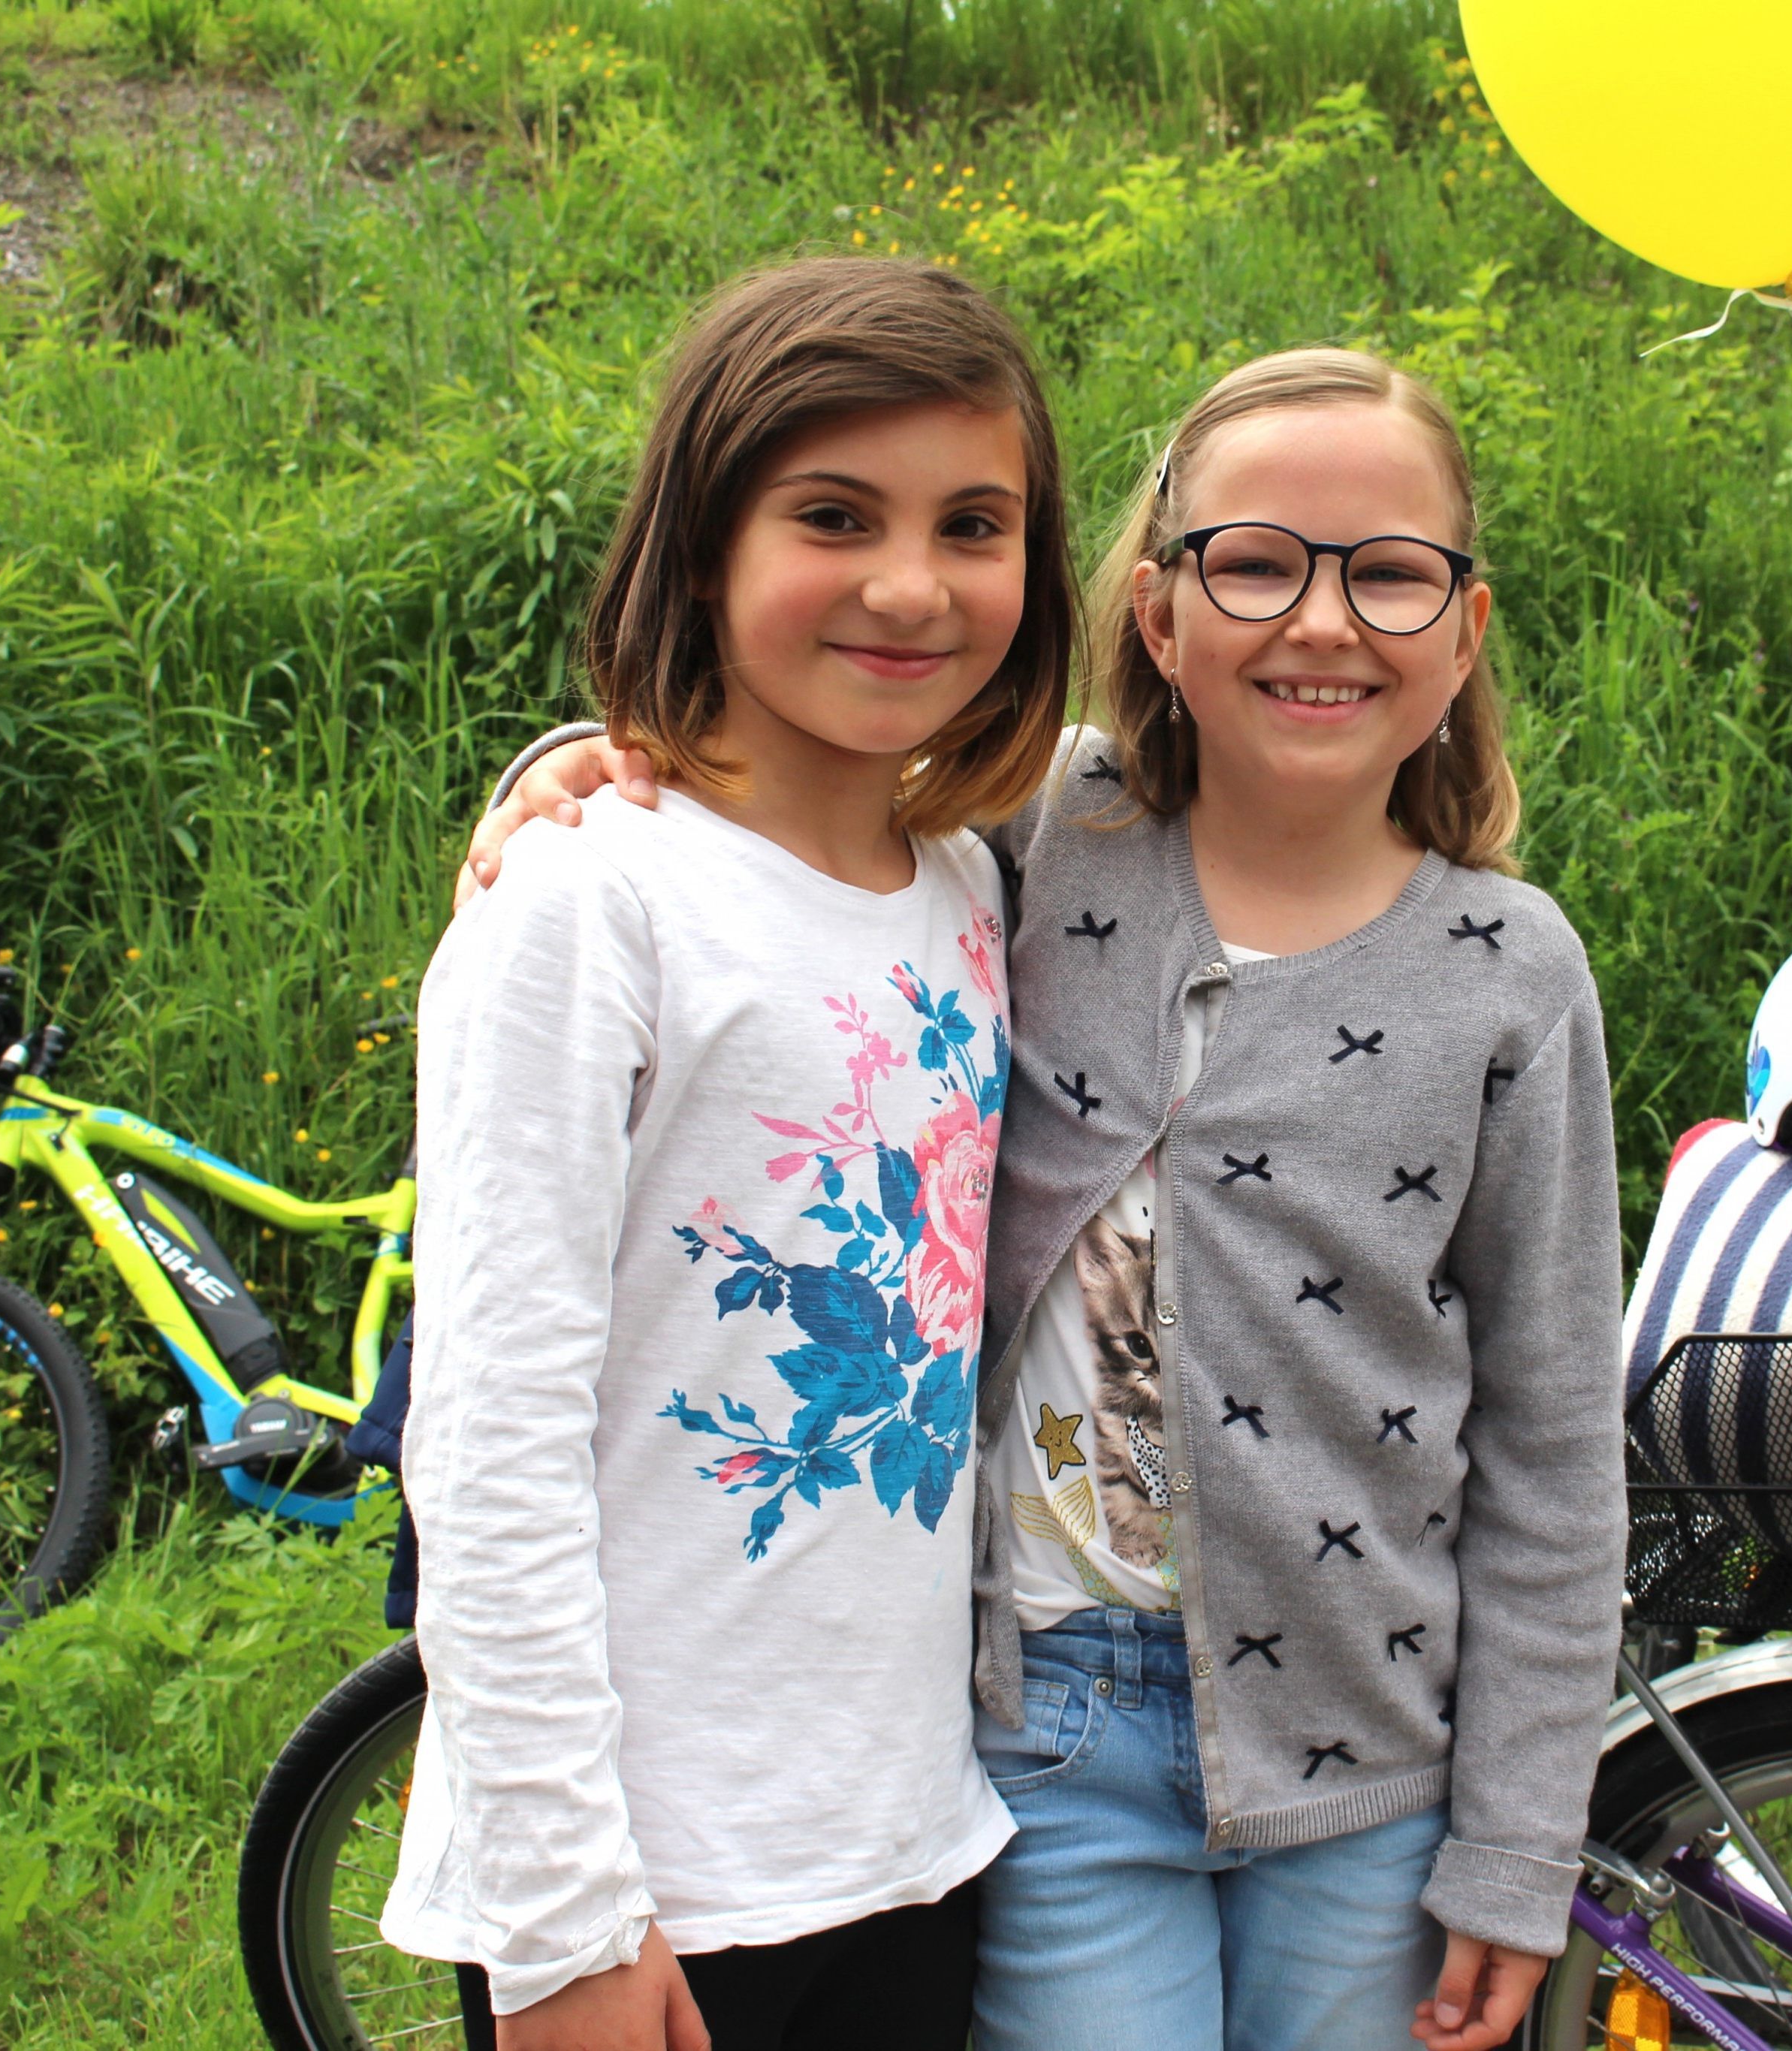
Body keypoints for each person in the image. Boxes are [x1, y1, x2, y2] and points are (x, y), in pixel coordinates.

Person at [469, 346, 1626, 2051]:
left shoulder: (1511, 971)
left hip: (1379, 1746)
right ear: (1159, 614)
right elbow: (797, 795)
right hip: (1049, 1731)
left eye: (1388, 573)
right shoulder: (1044, 832)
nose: (1321, 620)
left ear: (1461, 630)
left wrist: (1523, 1841)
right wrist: (581, 760)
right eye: (1254, 561)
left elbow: (1551, 1437)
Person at [384, 255, 1076, 2051]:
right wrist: (562, 1920)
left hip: (912, 1836)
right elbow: (486, 1439)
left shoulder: (971, 888)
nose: (913, 585)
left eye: (976, 523)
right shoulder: (590, 902)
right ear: (702, 541)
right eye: (833, 516)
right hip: (653, 1890)